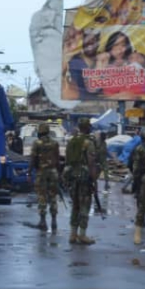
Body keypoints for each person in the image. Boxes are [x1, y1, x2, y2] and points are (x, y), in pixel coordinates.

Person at [64, 117, 100, 245]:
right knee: (85, 205)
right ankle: (82, 235)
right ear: (88, 127)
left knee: (75, 205)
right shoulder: (88, 143)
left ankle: (72, 234)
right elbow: (91, 162)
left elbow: (67, 159)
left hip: (72, 176)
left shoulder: (71, 141)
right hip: (84, 177)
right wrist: (94, 180)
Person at [28, 123, 61, 232]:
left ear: (40, 132)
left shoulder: (37, 143)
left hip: (41, 173)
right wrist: (59, 173)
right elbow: (57, 159)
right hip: (53, 172)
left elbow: (33, 159)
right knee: (53, 197)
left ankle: (43, 221)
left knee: (42, 196)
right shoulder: (55, 143)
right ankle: (54, 221)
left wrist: (29, 172)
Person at [65, 29, 103, 100]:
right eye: (87, 39)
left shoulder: (102, 59)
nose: (90, 42)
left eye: (94, 39)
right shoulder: (75, 62)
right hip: (82, 103)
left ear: (98, 42)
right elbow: (93, 89)